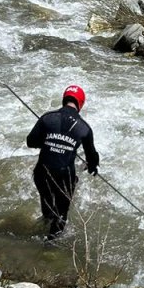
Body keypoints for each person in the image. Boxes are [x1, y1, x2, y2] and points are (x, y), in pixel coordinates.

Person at [26, 85, 100, 239]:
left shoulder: (47, 118)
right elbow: (92, 158)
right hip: (64, 177)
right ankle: (49, 248)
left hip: (42, 173)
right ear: (81, 104)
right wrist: (92, 166)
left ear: (63, 99)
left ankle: (45, 221)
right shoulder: (84, 128)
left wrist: (49, 141)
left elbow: (30, 141)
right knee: (61, 215)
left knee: (47, 203)